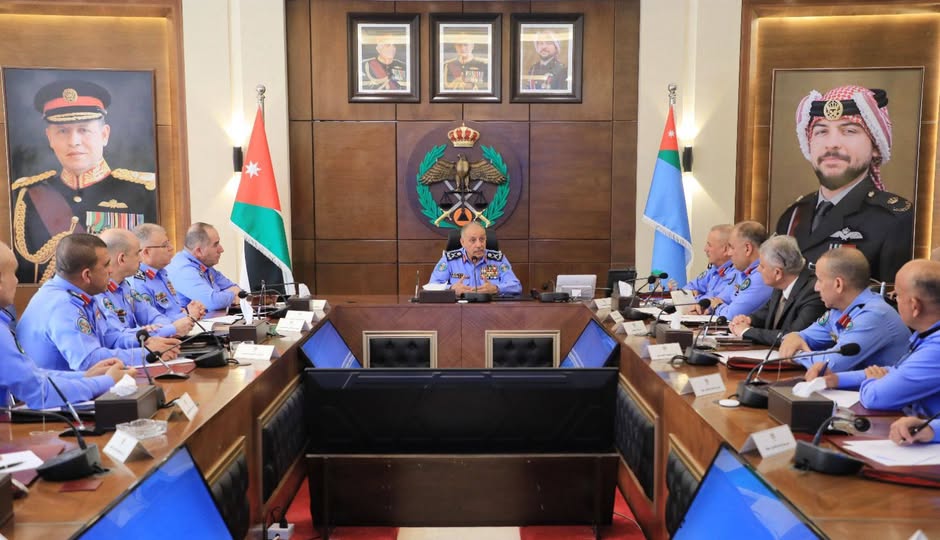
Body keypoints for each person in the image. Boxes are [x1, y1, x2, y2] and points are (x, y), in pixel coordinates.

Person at [11, 79, 157, 284]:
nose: (74, 141)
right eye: (63, 131)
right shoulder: (26, 196)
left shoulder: (143, 191)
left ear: (104, 135)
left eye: (84, 130)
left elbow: (150, 263)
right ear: (50, 138)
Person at [776, 85, 913, 283]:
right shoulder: (793, 215)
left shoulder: (895, 221)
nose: (832, 143)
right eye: (821, 131)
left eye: (849, 131)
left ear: (875, 145)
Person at [0, 240, 133, 409]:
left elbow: (33, 375)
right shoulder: (61, 303)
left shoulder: (77, 296)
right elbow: (40, 392)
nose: (17, 281)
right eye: (13, 274)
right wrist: (107, 381)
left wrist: (86, 377)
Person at [19, 234, 180, 372]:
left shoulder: (82, 295)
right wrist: (147, 354)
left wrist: (147, 342)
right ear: (87, 275)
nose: (111, 270)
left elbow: (110, 336)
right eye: (106, 265)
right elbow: (89, 361)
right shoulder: (62, 305)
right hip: (63, 394)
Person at [804, 260, 940, 415]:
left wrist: (873, 381)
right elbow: (895, 371)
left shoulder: (935, 349)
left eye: (897, 296)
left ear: (915, 306)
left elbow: (876, 397)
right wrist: (836, 379)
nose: (894, 301)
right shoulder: (928, 337)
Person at [779, 247, 909, 371]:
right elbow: (804, 337)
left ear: (838, 284)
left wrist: (796, 355)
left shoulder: (873, 315)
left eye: (819, 280)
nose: (816, 287)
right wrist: (794, 336)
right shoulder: (838, 311)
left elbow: (832, 364)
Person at [97, 228, 194, 340]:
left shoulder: (124, 286)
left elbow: (153, 316)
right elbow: (119, 337)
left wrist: (164, 329)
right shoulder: (98, 293)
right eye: (137, 253)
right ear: (122, 259)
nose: (140, 258)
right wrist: (170, 329)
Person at [729, 235, 825, 345]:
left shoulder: (813, 292)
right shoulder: (780, 285)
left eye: (762, 266)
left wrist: (746, 331)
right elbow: (765, 313)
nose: (758, 270)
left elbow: (792, 337)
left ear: (777, 273)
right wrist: (747, 320)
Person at [691, 221, 772, 319]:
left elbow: (730, 315)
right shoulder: (742, 272)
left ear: (747, 249)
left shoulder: (761, 276)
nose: (729, 253)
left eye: (732, 247)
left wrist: (717, 306)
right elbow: (718, 299)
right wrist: (703, 307)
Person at [131, 223, 206, 320]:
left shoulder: (161, 274)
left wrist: (189, 311)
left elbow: (172, 311)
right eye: (165, 245)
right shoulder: (139, 283)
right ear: (146, 252)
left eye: (169, 243)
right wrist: (188, 315)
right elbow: (152, 323)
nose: (171, 248)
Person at [428, 222, 521, 296]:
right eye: (473, 240)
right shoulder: (449, 260)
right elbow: (432, 286)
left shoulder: (498, 259)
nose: (479, 245)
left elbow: (516, 286)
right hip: (459, 309)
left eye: (482, 239)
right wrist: (451, 289)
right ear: (462, 242)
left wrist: (496, 288)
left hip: (491, 309)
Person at [165, 222, 243, 311]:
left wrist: (221, 296)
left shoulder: (203, 264)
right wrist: (233, 296)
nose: (221, 249)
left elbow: (236, 288)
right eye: (215, 244)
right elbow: (213, 302)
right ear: (199, 251)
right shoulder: (183, 270)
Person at [672, 224, 736, 298]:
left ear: (725, 250)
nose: (705, 249)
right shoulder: (713, 269)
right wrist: (691, 293)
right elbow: (686, 289)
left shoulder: (735, 274)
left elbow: (713, 301)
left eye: (709, 245)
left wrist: (694, 296)